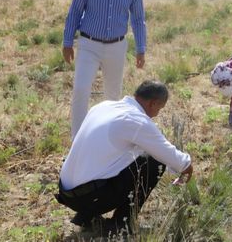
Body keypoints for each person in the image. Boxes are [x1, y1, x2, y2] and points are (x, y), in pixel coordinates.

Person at [55, 80, 193, 235]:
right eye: (159, 109)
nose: (157, 114)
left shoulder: (104, 106)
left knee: (139, 158)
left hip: (66, 192)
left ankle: (86, 215)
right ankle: (121, 224)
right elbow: (169, 155)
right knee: (154, 162)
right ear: (153, 103)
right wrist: (187, 167)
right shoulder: (136, 120)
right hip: (85, 197)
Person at [62, 0, 147, 139]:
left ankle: (107, 140)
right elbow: (75, 11)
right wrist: (67, 42)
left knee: (112, 96)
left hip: (116, 46)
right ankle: (78, 141)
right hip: (88, 43)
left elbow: (138, 19)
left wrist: (141, 49)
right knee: (81, 89)